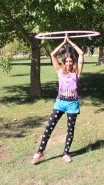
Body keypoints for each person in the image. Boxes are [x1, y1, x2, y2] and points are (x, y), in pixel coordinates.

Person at [31, 34, 84, 164]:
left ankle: (66, 153)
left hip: (72, 104)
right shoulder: (59, 71)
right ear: (64, 62)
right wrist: (63, 42)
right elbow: (53, 55)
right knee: (49, 127)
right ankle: (39, 152)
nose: (69, 64)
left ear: (73, 63)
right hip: (60, 103)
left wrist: (70, 42)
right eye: (66, 61)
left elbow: (81, 53)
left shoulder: (76, 73)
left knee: (70, 130)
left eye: (71, 61)